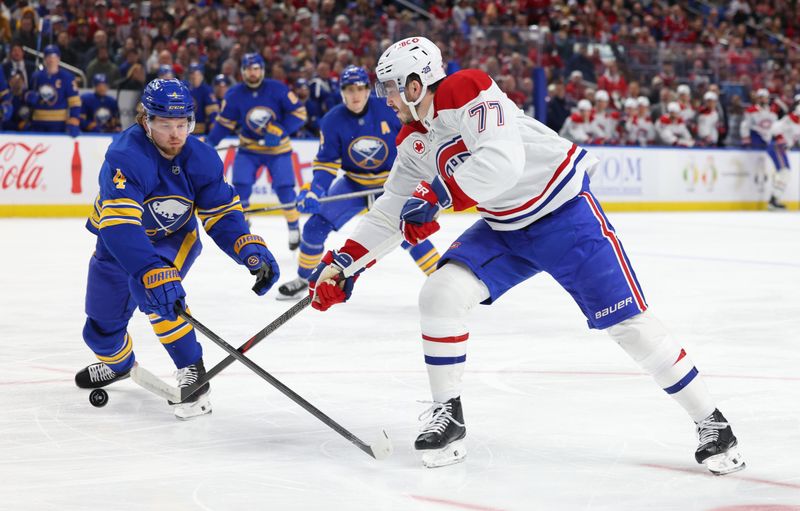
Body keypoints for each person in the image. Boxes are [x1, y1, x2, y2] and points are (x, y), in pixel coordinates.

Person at [307, 37, 745, 475]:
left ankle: (712, 423)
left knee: (628, 325)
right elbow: (389, 212)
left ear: (415, 84)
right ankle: (448, 416)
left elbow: (501, 162)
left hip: (564, 215)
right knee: (439, 293)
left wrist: (437, 195)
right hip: (504, 229)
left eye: (390, 88)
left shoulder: (467, 89)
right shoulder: (413, 141)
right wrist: (344, 264)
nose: (385, 99)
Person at [74, 79, 280, 420]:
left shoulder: (202, 158)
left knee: (158, 293)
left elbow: (221, 213)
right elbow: (120, 226)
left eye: (182, 124)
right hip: (117, 241)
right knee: (99, 330)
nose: (175, 134)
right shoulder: (125, 156)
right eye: (165, 125)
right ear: (145, 121)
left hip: (173, 237)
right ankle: (119, 365)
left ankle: (192, 370)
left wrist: (246, 246)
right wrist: (149, 268)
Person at [275, 66, 441, 300]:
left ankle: (441, 282)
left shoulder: (388, 109)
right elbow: (326, 163)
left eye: (360, 88)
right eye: (350, 89)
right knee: (314, 227)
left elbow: (417, 137)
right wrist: (315, 190)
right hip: (354, 183)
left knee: (411, 233)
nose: (356, 95)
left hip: (391, 184)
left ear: (368, 90)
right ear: (342, 92)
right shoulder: (332, 120)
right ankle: (304, 279)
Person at [207, 53, 308, 250]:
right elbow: (225, 123)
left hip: (278, 149)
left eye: (256, 69)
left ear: (262, 70)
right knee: (241, 187)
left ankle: (294, 227)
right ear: (242, 72)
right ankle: (243, 225)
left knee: (285, 190)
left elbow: (299, 113)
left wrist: (280, 130)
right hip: (249, 148)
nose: (252, 73)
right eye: (248, 69)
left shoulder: (278, 89)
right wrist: (210, 142)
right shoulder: (234, 94)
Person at [26, 45, 81, 136]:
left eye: (54, 57)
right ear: (44, 59)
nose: (51, 60)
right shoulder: (36, 76)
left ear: (58, 59)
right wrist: (28, 97)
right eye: (48, 57)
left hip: (59, 125)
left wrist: (74, 119)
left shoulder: (67, 77)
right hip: (38, 124)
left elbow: (75, 102)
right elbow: (28, 95)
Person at [764, 101, 800, 210]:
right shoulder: (789, 119)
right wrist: (780, 138)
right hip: (777, 147)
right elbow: (774, 129)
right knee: (785, 172)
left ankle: (774, 199)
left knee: (785, 173)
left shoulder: (796, 122)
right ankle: (773, 200)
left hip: (781, 148)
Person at [186, 63, 219, 135]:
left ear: (202, 76)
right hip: (183, 129)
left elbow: (213, 112)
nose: (194, 76)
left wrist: (213, 123)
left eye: (197, 74)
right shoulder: (183, 88)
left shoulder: (206, 90)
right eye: (192, 74)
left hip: (201, 131)